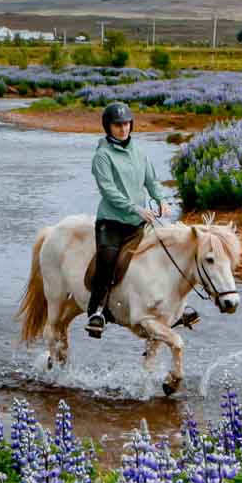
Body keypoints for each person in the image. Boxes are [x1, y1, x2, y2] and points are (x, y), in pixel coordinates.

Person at [85, 101, 167, 338]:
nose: (123, 129)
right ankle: (96, 312)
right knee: (107, 262)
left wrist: (160, 199)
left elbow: (151, 181)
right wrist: (135, 208)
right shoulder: (102, 156)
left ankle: (166, 308)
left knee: (162, 255)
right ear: (108, 127)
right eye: (117, 125)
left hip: (138, 223)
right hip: (111, 223)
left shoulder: (139, 153)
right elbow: (108, 191)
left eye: (126, 123)